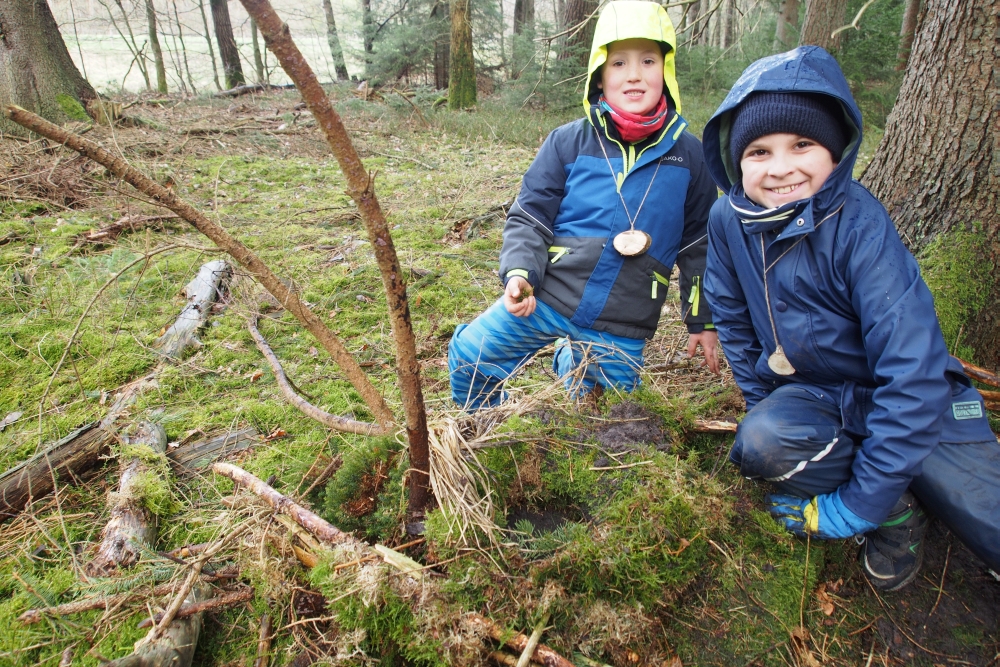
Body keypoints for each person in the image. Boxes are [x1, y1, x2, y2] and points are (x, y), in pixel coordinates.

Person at [702, 46, 997, 591]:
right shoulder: (727, 219)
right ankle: (898, 515)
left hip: (912, 402)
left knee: (990, 524)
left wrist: (855, 504)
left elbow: (913, 371)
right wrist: (764, 403)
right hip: (816, 395)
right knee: (761, 443)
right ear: (736, 161)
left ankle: (880, 491)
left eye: (803, 145)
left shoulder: (860, 226)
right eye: (759, 151)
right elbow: (734, 319)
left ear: (835, 153)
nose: (781, 167)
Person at [448, 0, 719, 410]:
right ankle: (483, 426)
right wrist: (520, 273)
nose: (634, 75)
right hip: (549, 295)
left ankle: (571, 361)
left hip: (624, 318)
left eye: (648, 60)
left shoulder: (690, 156)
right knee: (471, 355)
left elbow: (700, 245)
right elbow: (530, 216)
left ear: (666, 70)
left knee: (600, 417)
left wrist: (701, 318)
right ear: (599, 73)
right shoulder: (568, 141)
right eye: (618, 63)